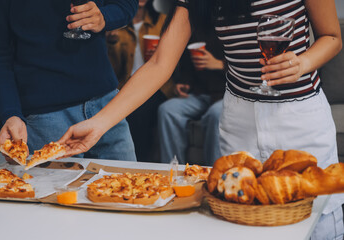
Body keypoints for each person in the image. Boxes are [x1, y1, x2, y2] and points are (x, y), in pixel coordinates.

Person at [58, 0, 343, 238]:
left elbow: (332, 36)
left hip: (298, 118)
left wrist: (303, 62)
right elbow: (159, 64)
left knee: (317, 225)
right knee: (241, 227)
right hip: (239, 121)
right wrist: (99, 124)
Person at [0, 0, 138, 161]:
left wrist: (104, 16)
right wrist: (11, 113)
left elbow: (127, 4)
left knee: (134, 186)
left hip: (107, 104)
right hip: (46, 118)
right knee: (49, 188)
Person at [106, 0, 174, 162]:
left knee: (139, 108)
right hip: (127, 85)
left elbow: (174, 62)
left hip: (159, 86)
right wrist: (111, 43)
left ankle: (142, 161)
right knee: (130, 105)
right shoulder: (116, 24)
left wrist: (160, 53)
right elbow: (113, 71)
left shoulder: (163, 21)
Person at [158, 29, 225, 165]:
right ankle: (173, 170)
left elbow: (248, 64)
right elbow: (187, 65)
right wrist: (185, 82)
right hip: (201, 94)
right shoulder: (199, 26)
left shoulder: (234, 27)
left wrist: (220, 64)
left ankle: (212, 172)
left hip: (227, 94)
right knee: (167, 109)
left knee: (215, 114)